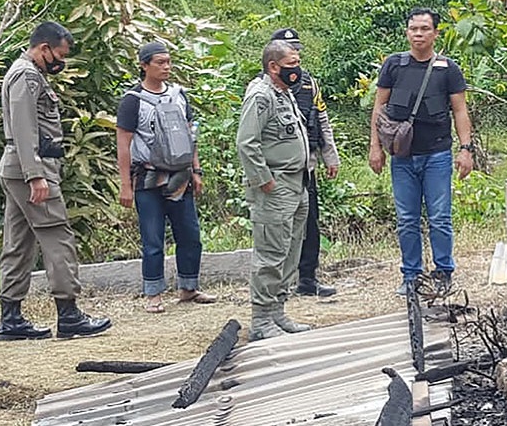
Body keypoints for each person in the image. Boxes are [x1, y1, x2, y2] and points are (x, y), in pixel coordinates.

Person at [0, 21, 112, 341]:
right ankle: (69, 314)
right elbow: (23, 128)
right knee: (57, 236)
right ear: (43, 49)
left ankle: (11, 319)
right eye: (59, 55)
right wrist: (36, 175)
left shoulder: (27, 73)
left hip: (18, 169)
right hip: (30, 170)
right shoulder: (26, 76)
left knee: (19, 243)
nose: (61, 62)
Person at [369, 7, 474, 296]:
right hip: (401, 156)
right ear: (407, 32)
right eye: (413, 29)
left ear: (435, 33)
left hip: (437, 154)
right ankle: (411, 275)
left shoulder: (448, 70)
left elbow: (460, 110)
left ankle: (443, 272)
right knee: (406, 219)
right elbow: (379, 108)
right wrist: (375, 147)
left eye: (424, 29)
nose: (418, 34)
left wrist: (465, 149)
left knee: (440, 217)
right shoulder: (394, 65)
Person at [116, 41, 217, 313]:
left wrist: (196, 170)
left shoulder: (179, 95)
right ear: (144, 65)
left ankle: (189, 286)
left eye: (168, 62)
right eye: (160, 63)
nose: (166, 67)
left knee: (189, 233)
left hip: (180, 175)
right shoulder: (133, 101)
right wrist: (125, 184)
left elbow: (189, 134)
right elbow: (123, 144)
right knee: (152, 237)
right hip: (147, 177)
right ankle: (153, 293)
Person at [236, 40, 314, 340]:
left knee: (291, 251)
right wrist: (263, 179)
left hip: (297, 183)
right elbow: (247, 142)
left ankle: (278, 311)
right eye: (292, 65)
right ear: (273, 66)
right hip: (275, 186)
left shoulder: (286, 94)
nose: (297, 70)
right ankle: (261, 319)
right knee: (270, 253)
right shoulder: (261, 96)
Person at [269, 28, 340, 299]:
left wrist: (329, 156)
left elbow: (321, 120)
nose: (294, 53)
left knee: (310, 224)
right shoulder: (264, 87)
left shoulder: (310, 83)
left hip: (306, 166)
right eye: (288, 49)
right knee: (278, 227)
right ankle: (277, 284)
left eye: (297, 49)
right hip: (278, 169)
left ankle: (308, 279)